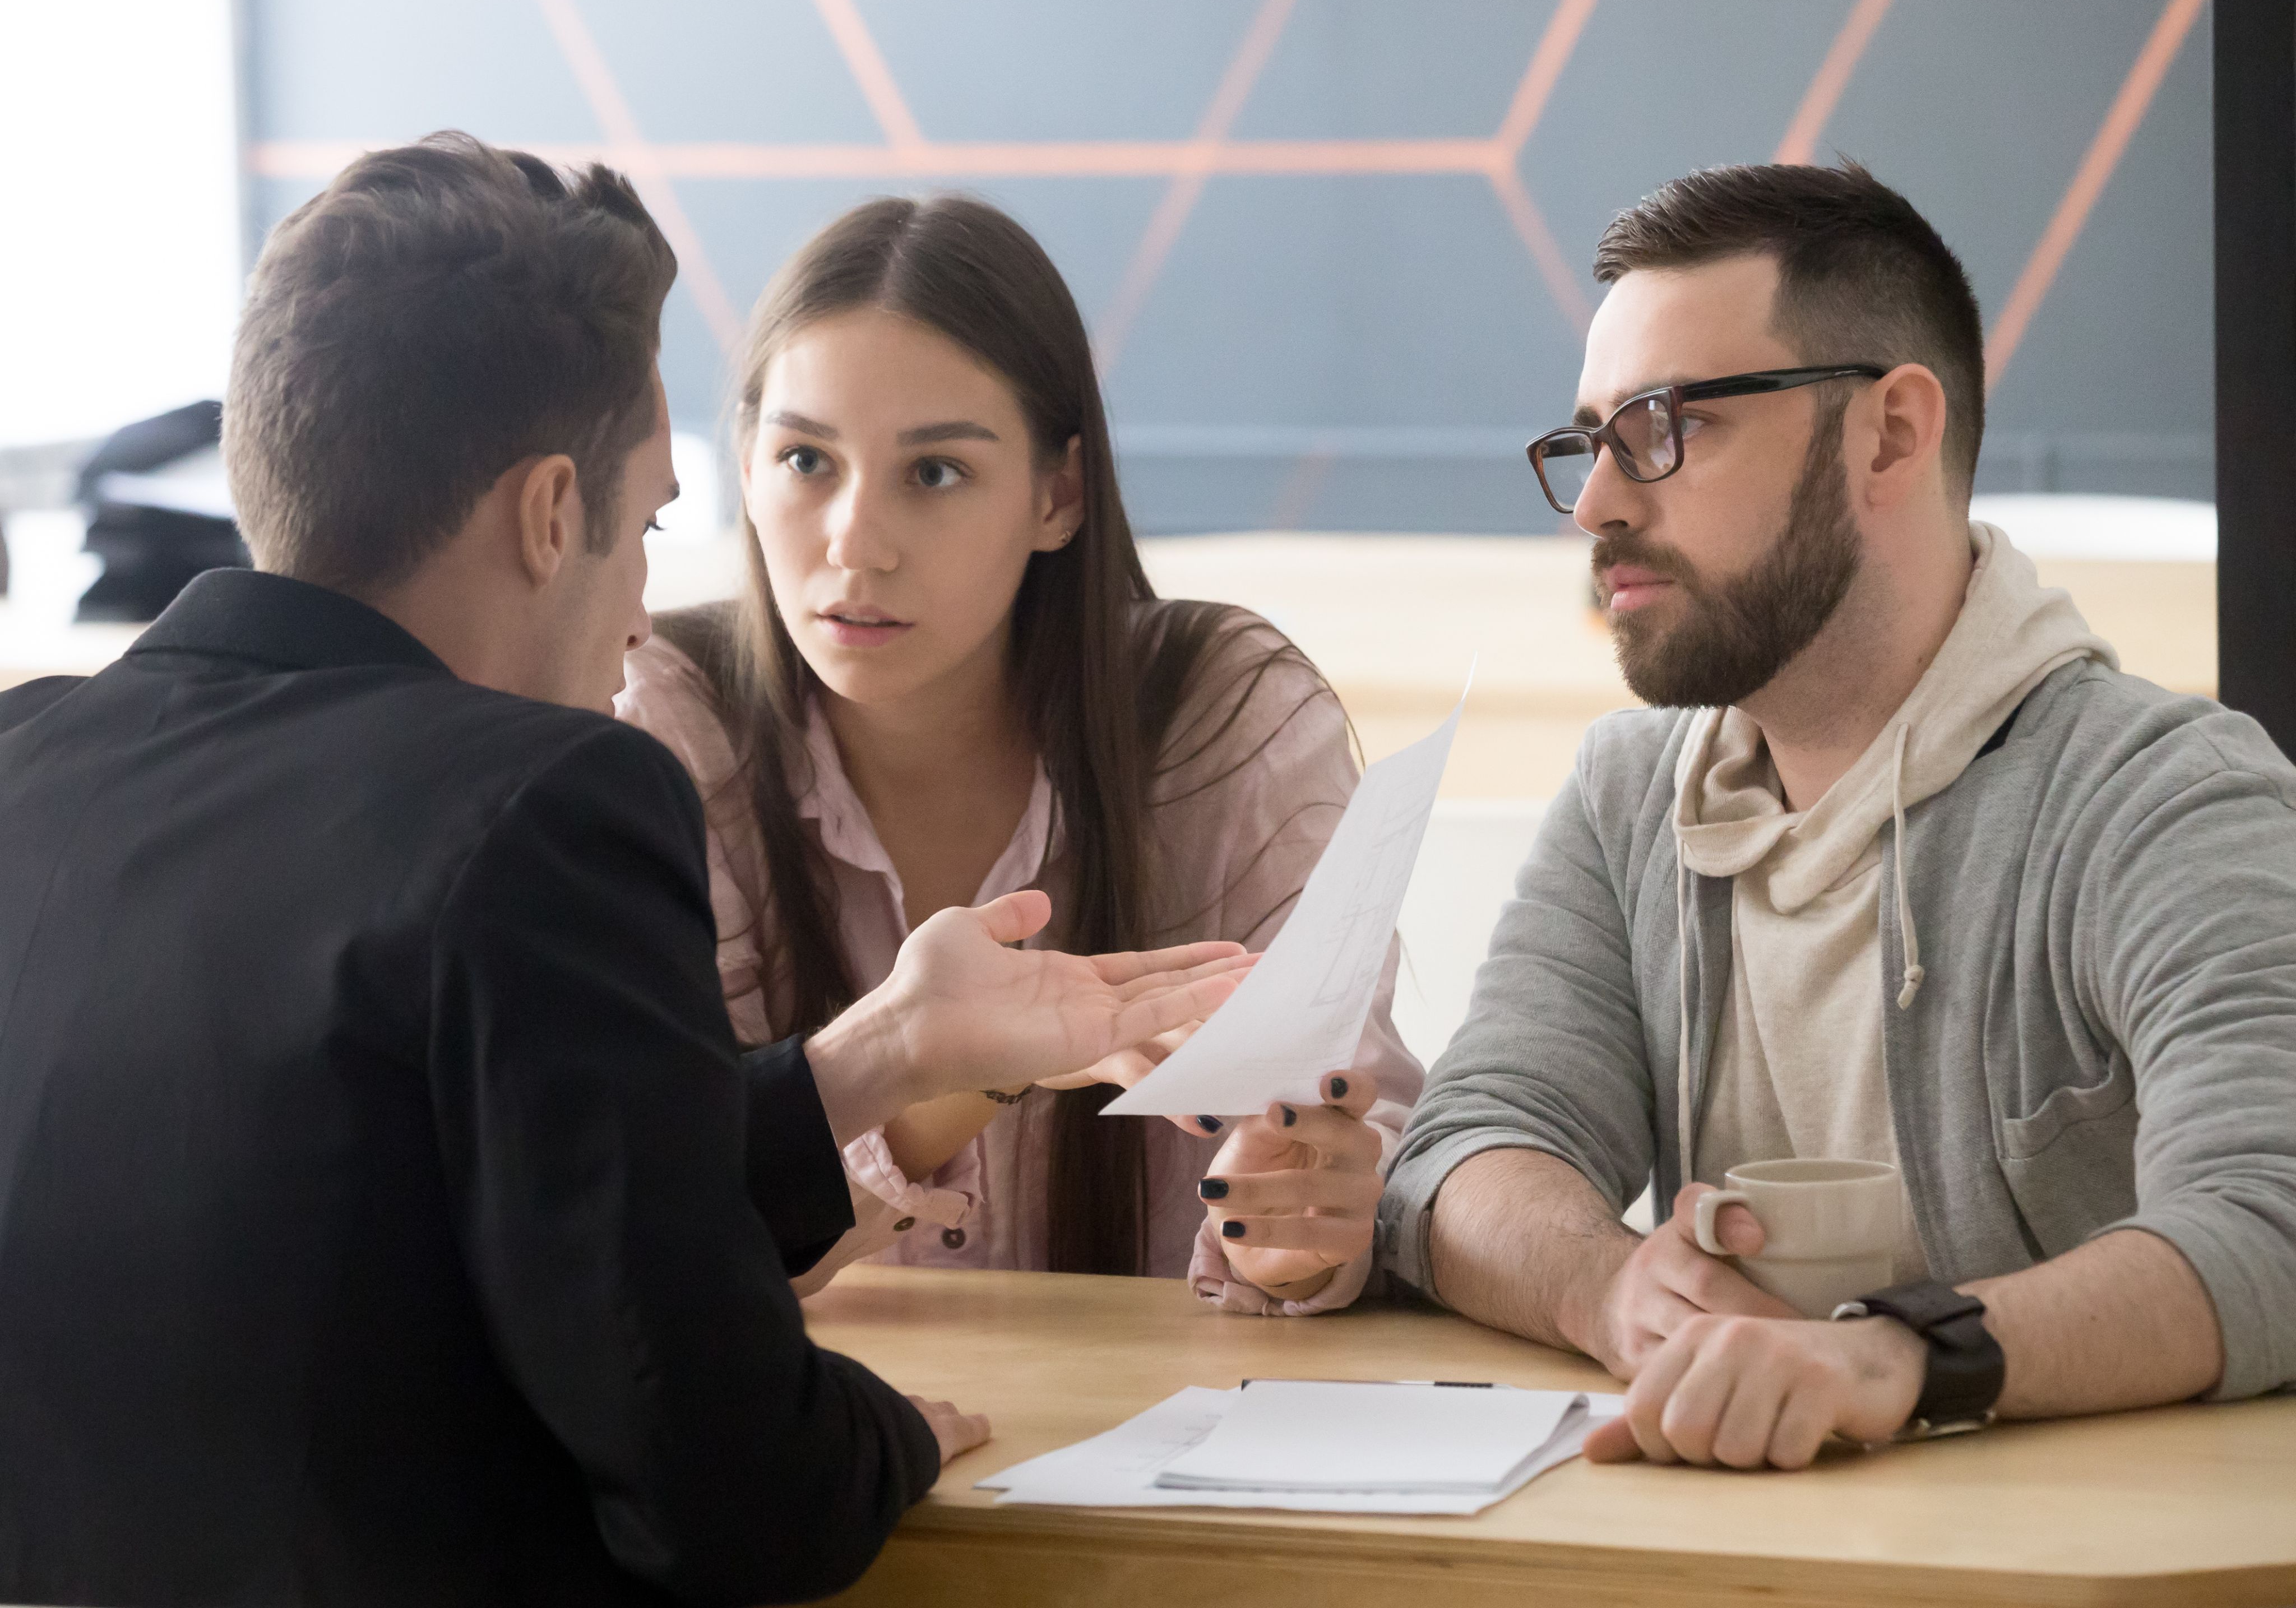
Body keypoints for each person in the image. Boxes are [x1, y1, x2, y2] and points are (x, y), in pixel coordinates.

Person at [0, 133, 1252, 1606]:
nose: (646, 612)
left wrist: (886, 1051)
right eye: (649, 523)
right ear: (548, 516)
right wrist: (882, 1437)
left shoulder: (30, 766)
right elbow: (733, 1485)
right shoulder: (546, 805)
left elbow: (474, 1179)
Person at [1377, 161, 2296, 1471]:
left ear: (1888, 435)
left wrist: (1893, 1356)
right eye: (1590, 440)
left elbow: (2271, 1224)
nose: (1597, 502)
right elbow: (1462, 1152)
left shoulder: (2167, 800)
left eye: (1663, 426)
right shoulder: (1627, 795)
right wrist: (1615, 1288)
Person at [617, 194, 1422, 1314]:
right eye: (805, 461)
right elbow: (642, 1223)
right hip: (822, 1449)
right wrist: (941, 1070)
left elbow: (1354, 1114)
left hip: (1171, 1442)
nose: (855, 542)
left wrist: (1303, 1233)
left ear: (1057, 496)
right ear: (745, 470)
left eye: (934, 473)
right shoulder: (660, 727)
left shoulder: (1225, 715)